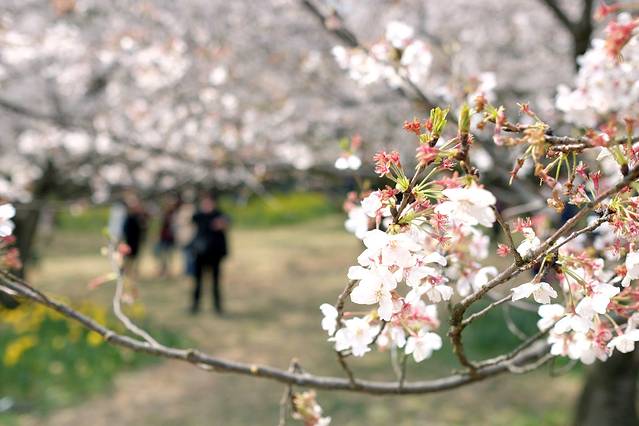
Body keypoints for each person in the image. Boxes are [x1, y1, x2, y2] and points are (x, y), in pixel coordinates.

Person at [189, 191, 229, 314]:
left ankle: (218, 307)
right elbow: (191, 220)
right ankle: (195, 306)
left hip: (215, 254)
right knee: (198, 281)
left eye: (209, 202)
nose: (206, 205)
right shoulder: (199, 216)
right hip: (200, 253)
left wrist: (222, 224)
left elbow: (227, 221)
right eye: (204, 203)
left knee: (215, 282)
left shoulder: (219, 215)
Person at [155, 195, 181, 277]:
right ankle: (163, 270)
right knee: (162, 255)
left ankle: (168, 271)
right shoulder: (164, 214)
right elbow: (161, 226)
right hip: (163, 238)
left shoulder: (174, 214)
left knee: (169, 255)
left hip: (170, 238)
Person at [122, 194, 148, 277]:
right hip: (130, 240)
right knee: (128, 257)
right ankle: (127, 271)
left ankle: (134, 271)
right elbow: (125, 230)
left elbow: (144, 228)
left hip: (137, 240)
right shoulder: (129, 217)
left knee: (135, 257)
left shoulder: (140, 216)